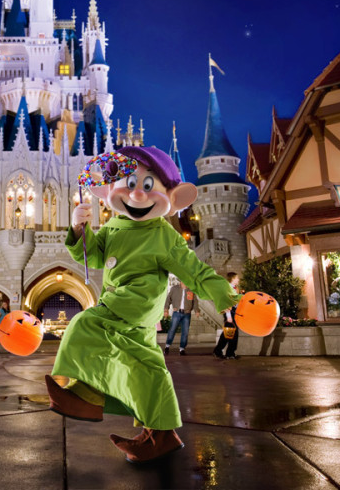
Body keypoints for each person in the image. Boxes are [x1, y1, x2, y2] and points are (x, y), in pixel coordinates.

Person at [46, 147, 238, 463]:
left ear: (171, 197)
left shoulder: (163, 234)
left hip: (135, 303)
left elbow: (195, 271)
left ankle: (85, 397)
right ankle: (159, 435)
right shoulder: (113, 227)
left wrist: (229, 299)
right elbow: (91, 256)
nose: (136, 195)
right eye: (129, 183)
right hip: (119, 299)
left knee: (85, 324)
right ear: (109, 189)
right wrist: (79, 228)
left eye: (148, 186)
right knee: (145, 369)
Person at [163, 280, 198, 355]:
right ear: (181, 281)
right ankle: (167, 346)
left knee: (185, 332)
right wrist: (166, 310)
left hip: (187, 314)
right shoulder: (174, 289)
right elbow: (168, 299)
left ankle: (182, 349)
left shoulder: (191, 290)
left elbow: (195, 301)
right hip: (177, 313)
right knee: (172, 330)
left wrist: (197, 311)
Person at [213, 272, 240, 360]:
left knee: (227, 333)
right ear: (232, 278)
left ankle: (218, 351)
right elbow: (226, 302)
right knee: (233, 334)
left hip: (234, 312)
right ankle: (229, 353)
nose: (238, 280)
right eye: (237, 278)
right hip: (229, 312)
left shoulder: (235, 288)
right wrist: (228, 316)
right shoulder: (227, 288)